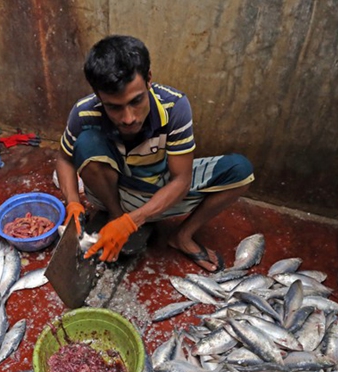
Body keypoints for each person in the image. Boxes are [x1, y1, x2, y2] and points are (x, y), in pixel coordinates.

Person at [55, 35, 255, 272]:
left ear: (149, 79)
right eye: (114, 107)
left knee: (240, 171)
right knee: (86, 142)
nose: (128, 118)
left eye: (136, 101)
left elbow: (181, 180)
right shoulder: (84, 112)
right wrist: (74, 203)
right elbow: (64, 159)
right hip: (110, 192)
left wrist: (132, 222)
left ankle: (182, 236)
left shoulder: (175, 107)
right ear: (99, 96)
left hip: (158, 190)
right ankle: (115, 216)